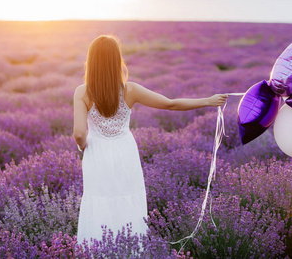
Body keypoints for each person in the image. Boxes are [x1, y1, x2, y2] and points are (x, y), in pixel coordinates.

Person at [73, 35, 228, 246]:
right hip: (124, 151)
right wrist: (207, 101)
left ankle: (98, 250)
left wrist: (84, 147)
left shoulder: (82, 92)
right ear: (116, 61)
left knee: (98, 201)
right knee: (128, 200)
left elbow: (79, 133)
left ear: (91, 63)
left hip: (97, 154)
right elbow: (170, 104)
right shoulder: (131, 90)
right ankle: (130, 250)